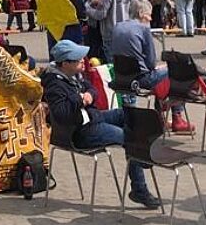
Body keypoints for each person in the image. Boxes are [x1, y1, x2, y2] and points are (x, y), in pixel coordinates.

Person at [41, 39, 163, 210]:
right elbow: (61, 115)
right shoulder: (55, 84)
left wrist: (89, 95)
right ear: (65, 63)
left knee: (126, 114)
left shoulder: (73, 75)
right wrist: (81, 99)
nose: (83, 62)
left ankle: (141, 152)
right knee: (128, 138)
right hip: (79, 132)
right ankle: (140, 187)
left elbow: (92, 88)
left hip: (91, 118)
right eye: (78, 60)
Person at [110, 0, 189, 131]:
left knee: (163, 75)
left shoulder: (117, 27)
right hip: (141, 79)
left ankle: (162, 116)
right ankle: (176, 117)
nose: (151, 18)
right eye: (149, 14)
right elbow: (151, 63)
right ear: (141, 13)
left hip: (121, 77)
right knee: (177, 71)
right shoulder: (143, 29)